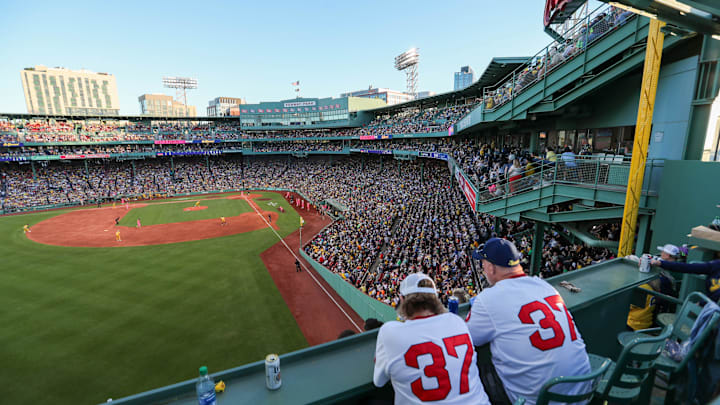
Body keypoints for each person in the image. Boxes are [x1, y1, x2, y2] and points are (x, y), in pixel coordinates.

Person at [466, 238, 590, 405]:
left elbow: (467, 337)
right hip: (583, 393)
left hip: (541, 401)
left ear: (490, 267)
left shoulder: (487, 299)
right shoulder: (543, 285)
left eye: (483, 263)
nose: (482, 268)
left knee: (483, 372)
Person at [373, 273, 490, 405]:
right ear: (435, 299)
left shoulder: (390, 331)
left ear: (403, 299)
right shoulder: (456, 321)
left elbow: (379, 381)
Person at [651, 250, 720, 302]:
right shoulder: (716, 265)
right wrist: (660, 263)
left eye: (663, 252)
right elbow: (688, 267)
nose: (661, 253)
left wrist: (702, 304)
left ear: (668, 255)